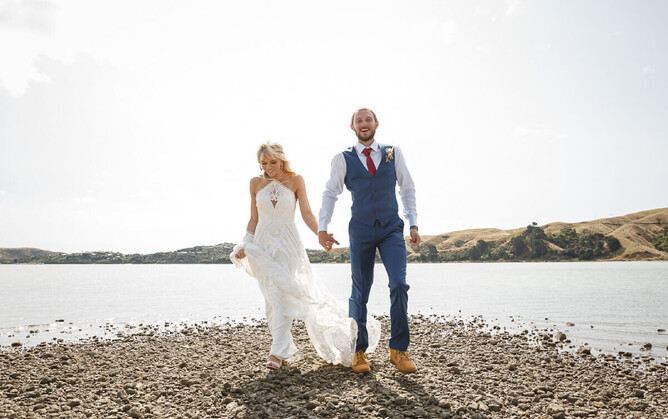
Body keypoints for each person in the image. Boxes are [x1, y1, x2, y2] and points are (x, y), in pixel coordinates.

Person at [231, 142, 380, 370]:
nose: (269, 167)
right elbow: (253, 218)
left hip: (288, 246)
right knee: (271, 300)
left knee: (282, 296)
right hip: (262, 246)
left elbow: (307, 214)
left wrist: (322, 234)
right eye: (264, 163)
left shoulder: (296, 180)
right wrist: (245, 242)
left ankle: (276, 354)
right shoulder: (255, 183)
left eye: (273, 162)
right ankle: (284, 347)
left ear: (281, 159)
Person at [318, 108, 421, 374]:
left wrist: (413, 224)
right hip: (361, 231)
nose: (364, 124)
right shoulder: (342, 159)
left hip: (390, 230)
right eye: (358, 121)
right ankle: (359, 351)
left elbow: (407, 188)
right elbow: (331, 193)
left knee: (399, 284)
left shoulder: (393, 153)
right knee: (360, 292)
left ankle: (398, 349)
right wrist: (323, 227)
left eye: (367, 120)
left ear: (376, 124)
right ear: (352, 127)